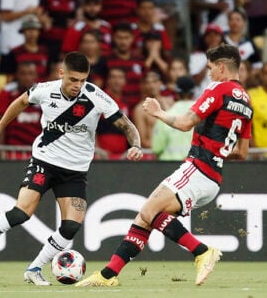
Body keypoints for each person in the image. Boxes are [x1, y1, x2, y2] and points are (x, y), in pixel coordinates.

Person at [0, 52, 144, 285]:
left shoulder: (97, 97)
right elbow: (19, 102)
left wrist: (137, 145)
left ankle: (35, 268)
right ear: (62, 74)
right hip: (45, 162)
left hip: (75, 171)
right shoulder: (44, 90)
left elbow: (127, 126)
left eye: (82, 80)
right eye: (73, 80)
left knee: (71, 227)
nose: (77, 86)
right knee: (21, 212)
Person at [76, 44, 253, 287]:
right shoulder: (247, 102)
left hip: (197, 169)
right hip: (213, 177)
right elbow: (242, 153)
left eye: (211, 68)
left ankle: (201, 251)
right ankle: (108, 275)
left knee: (150, 211)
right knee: (145, 217)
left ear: (222, 67)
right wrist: (218, 153)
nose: (209, 73)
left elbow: (183, 123)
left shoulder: (218, 89)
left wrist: (158, 112)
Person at [0, 61, 41, 147]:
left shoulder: (43, 93)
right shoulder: (6, 92)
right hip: (12, 151)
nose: (27, 77)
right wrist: (0, 148)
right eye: (23, 74)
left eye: (30, 74)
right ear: (17, 75)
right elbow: (0, 121)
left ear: (36, 76)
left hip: (37, 150)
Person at [151, 75, 195, 161]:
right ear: (193, 93)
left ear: (177, 93)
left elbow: (157, 148)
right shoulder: (206, 115)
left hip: (169, 167)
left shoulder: (165, 116)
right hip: (197, 167)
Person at [132, 71, 173, 149]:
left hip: (174, 150)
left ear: (160, 83)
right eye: (148, 82)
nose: (151, 85)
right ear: (143, 86)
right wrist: (163, 148)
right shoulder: (140, 109)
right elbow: (142, 140)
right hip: (153, 152)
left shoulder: (170, 102)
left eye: (155, 81)